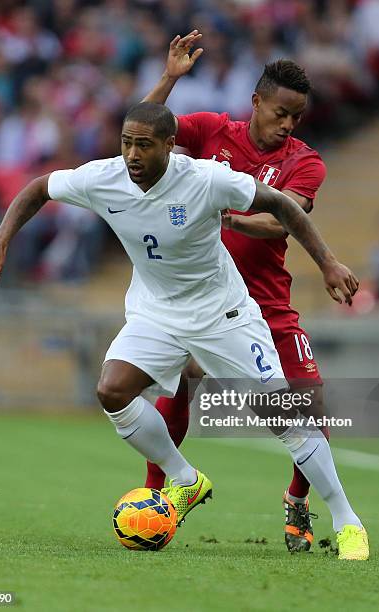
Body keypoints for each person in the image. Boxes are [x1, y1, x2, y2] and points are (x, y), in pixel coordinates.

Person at [0, 102, 368, 560]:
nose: (132, 154)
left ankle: (346, 518)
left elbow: (278, 204)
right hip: (156, 312)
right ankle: (184, 479)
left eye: (144, 144)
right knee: (112, 390)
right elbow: (39, 187)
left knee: (284, 418)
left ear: (170, 146)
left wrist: (329, 263)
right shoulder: (105, 176)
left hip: (222, 313)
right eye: (127, 143)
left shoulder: (203, 179)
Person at [143, 31, 338, 552]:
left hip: (267, 300)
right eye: (281, 113)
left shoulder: (305, 161)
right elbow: (141, 131)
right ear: (256, 102)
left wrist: (220, 212)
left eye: (296, 116)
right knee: (182, 383)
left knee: (313, 411)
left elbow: (281, 224)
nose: (288, 124)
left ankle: (298, 501)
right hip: (204, 297)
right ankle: (155, 499)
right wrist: (169, 78)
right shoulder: (211, 132)